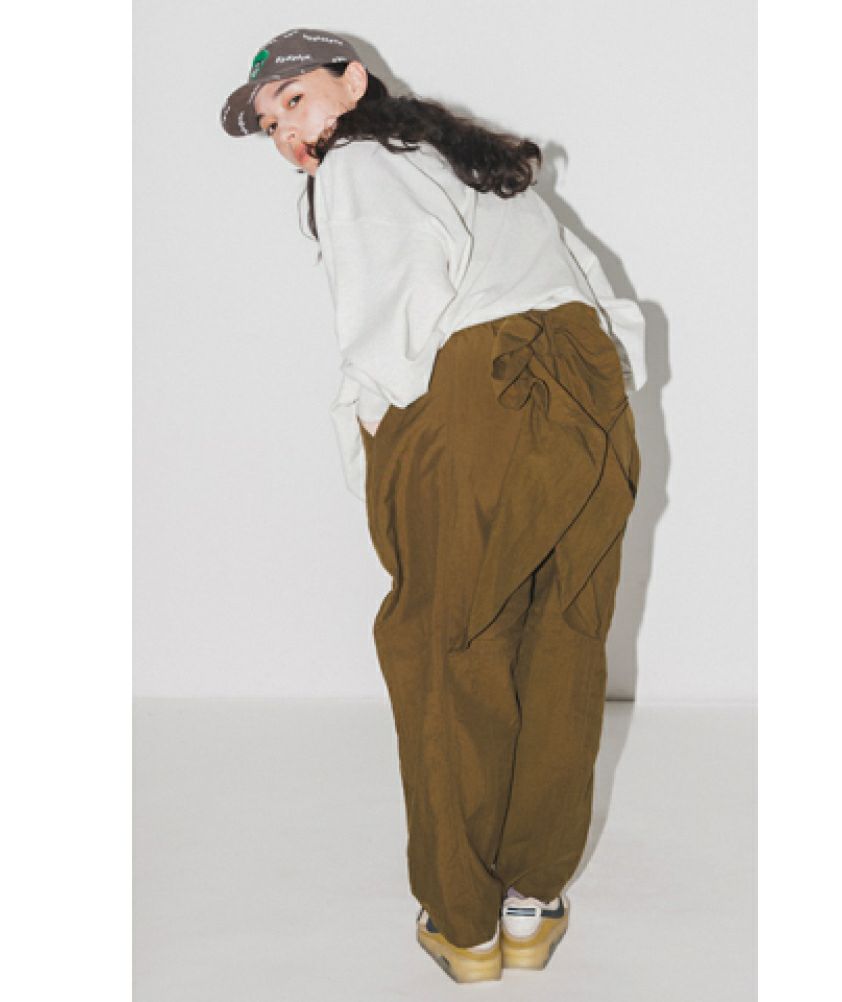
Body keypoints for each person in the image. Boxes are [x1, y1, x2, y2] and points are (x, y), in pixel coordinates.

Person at [221, 27, 645, 984]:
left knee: (446, 649)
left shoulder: (357, 163)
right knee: (564, 639)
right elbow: (588, 286)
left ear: (353, 82)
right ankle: (533, 898)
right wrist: (602, 398)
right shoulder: (471, 162)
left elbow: (389, 317)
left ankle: (465, 923)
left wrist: (380, 434)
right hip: (586, 396)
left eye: (294, 100)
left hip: (475, 393)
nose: (286, 132)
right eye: (270, 124)